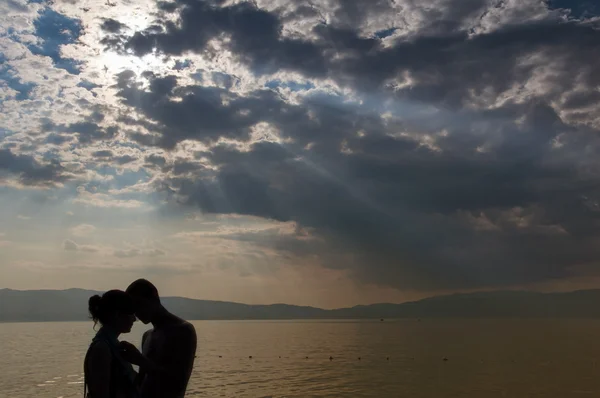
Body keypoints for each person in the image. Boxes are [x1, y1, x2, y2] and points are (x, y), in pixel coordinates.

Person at [123, 279, 197, 398]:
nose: (137, 313)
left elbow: (178, 382)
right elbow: (141, 382)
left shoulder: (183, 330)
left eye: (139, 305)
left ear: (154, 299)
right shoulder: (147, 336)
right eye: (133, 309)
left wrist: (140, 360)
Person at [84, 290, 139, 398]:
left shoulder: (111, 346)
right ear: (117, 314)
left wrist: (141, 361)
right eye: (131, 313)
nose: (134, 319)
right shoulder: (102, 349)